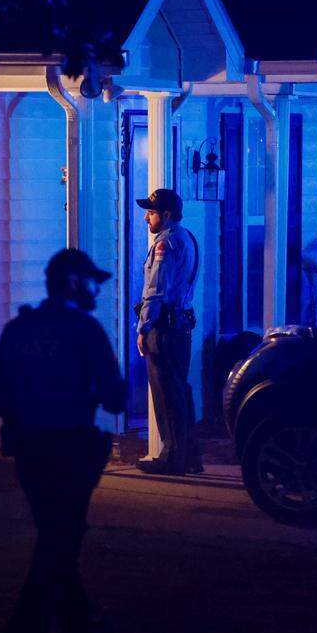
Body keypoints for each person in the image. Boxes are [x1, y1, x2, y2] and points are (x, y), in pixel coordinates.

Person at [0, 248, 126, 633]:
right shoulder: (83, 330)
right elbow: (116, 396)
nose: (97, 291)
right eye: (91, 282)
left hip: (30, 451)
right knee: (59, 543)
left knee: (56, 538)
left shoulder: (18, 329)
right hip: (70, 450)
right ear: (72, 283)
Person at [134, 188, 203, 475]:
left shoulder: (165, 244)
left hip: (164, 327)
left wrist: (143, 327)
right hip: (181, 326)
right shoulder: (188, 238)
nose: (147, 219)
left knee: (166, 393)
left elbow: (155, 291)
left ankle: (172, 457)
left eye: (150, 213)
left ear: (166, 215)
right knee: (180, 390)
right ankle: (189, 456)